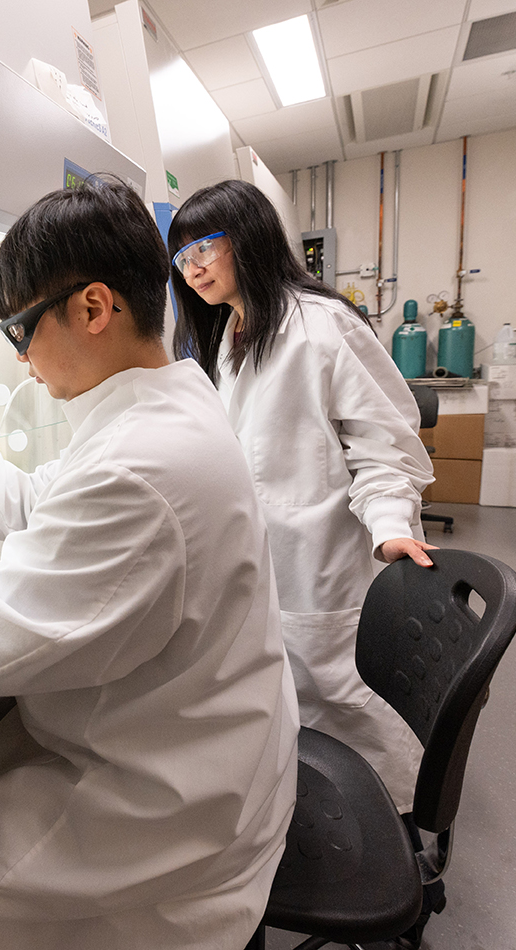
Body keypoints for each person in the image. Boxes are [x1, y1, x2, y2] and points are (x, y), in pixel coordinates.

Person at [0, 177, 298, 950]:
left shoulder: (141, 465)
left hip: (165, 808)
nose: (22, 364)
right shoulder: (161, 409)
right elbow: (44, 506)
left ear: (91, 307)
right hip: (188, 745)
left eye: (20, 334)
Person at [166, 180, 435, 814]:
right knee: (298, 711)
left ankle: (398, 831)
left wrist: (392, 523)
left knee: (349, 703)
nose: (194, 266)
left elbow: (384, 447)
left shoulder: (321, 327)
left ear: (251, 237)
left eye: (205, 245)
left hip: (327, 564)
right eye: (181, 256)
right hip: (271, 566)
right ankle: (324, 819)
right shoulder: (229, 337)